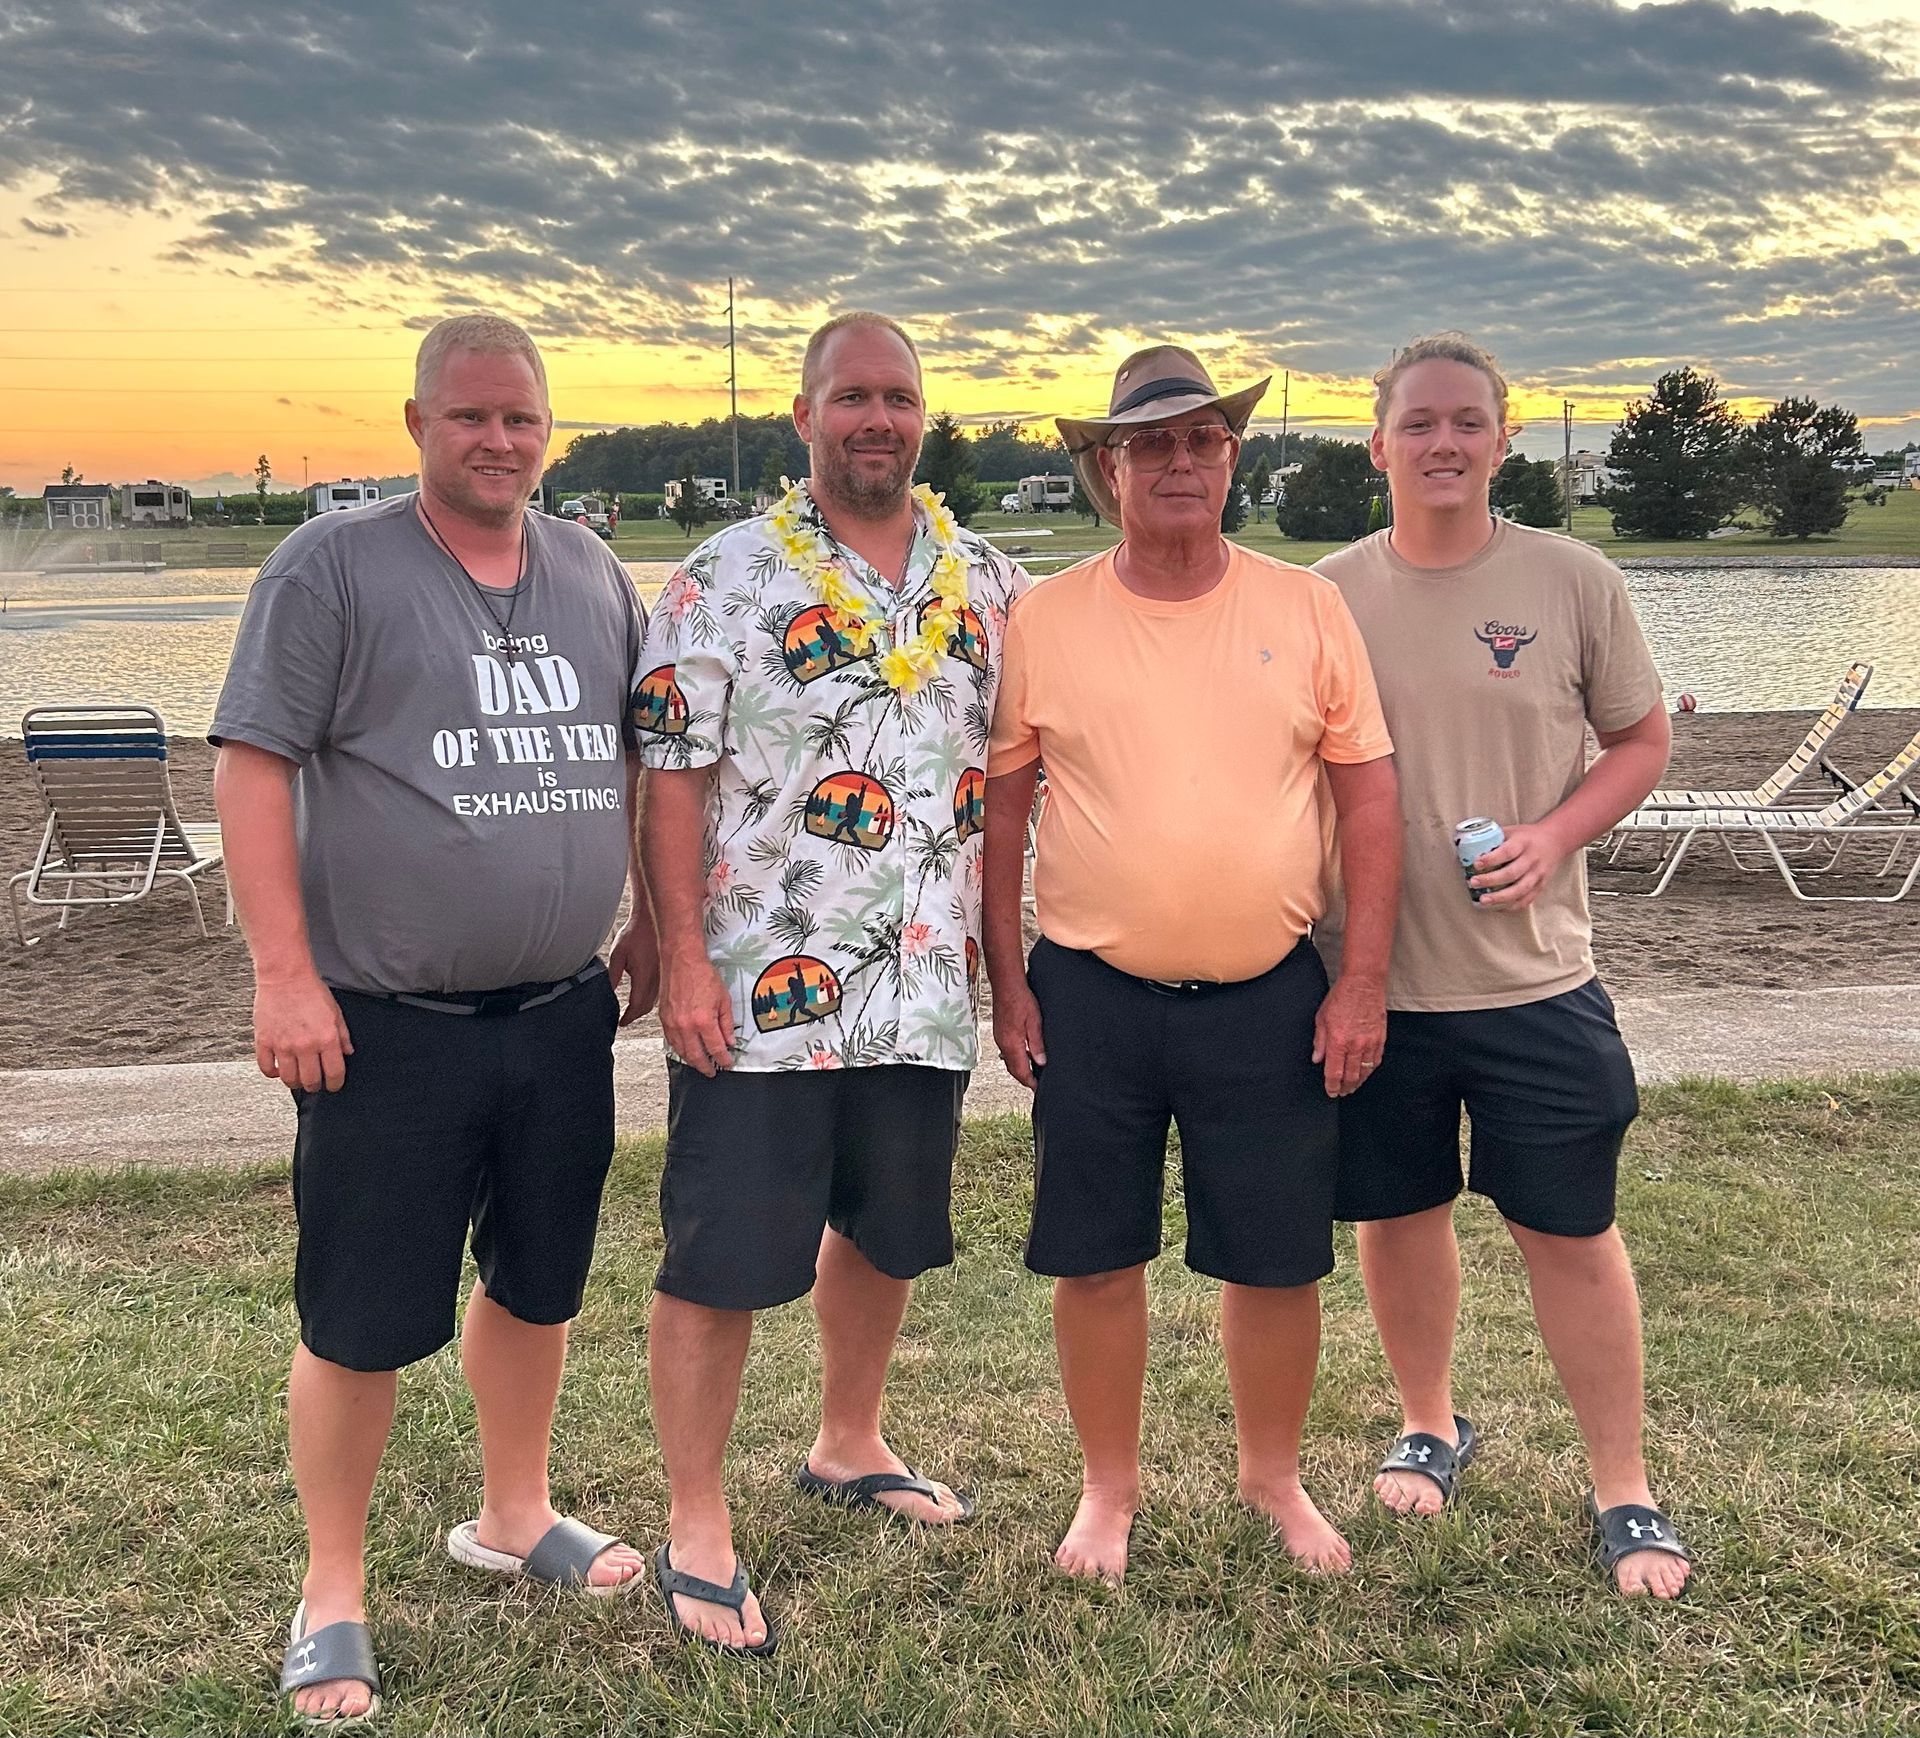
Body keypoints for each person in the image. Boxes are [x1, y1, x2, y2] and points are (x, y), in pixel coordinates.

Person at [211, 314, 659, 1722]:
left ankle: (514, 1511)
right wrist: (284, 975)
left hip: (562, 1009)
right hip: (386, 1020)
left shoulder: (592, 571)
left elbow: (637, 758)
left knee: (538, 1279)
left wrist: (652, 916)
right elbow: (251, 766)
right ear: (418, 423)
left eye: (521, 417)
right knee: (360, 1315)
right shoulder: (331, 566)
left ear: (549, 428)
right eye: (470, 416)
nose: (498, 440)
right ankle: (332, 1587)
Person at [636, 310, 1028, 1654]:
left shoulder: (987, 580)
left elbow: (1022, 772)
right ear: (805, 415)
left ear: (924, 417)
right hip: (763, 986)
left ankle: (848, 1439)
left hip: (921, 980)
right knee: (722, 1252)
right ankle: (696, 1519)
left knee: (882, 1227)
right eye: (851, 396)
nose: (877, 418)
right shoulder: (723, 576)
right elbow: (671, 776)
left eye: (898, 397)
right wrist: (682, 957)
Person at [983, 345, 1403, 1583]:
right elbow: (1002, 817)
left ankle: (1273, 1475)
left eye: (1203, 438)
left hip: (1269, 993)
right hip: (1090, 992)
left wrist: (1361, 978)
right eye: (1150, 442)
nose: (1179, 460)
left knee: (1275, 1255)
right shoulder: (1045, 618)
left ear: (1232, 458)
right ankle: (1106, 1488)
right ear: (1106, 468)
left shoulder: (1306, 609)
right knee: (1096, 1254)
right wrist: (1008, 980)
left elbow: (1369, 803)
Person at [1314, 332, 1692, 1598]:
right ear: (1379, 444)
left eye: (1467, 421)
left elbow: (1640, 742)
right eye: (1418, 423)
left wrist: (1553, 835)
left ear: (1503, 439)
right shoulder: (1324, 597)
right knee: (1399, 1215)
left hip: (1537, 981)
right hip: (1373, 986)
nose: (1444, 443)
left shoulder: (1572, 579)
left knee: (1571, 1231)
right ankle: (1429, 1419)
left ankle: (1624, 1486)